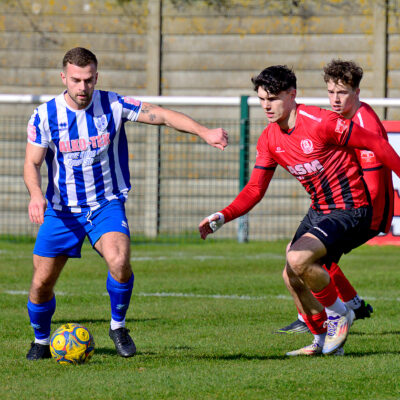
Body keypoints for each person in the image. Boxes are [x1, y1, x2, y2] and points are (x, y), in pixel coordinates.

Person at [24, 47, 228, 360]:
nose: (83, 87)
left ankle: (117, 326)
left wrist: (204, 132)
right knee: (41, 283)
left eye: (88, 79)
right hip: (61, 212)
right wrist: (36, 195)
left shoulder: (113, 104)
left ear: (96, 77)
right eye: (76, 80)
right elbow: (32, 163)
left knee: (119, 262)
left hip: (105, 205)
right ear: (63, 77)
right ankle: (40, 341)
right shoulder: (44, 115)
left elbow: (161, 115)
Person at [199, 65, 400, 356]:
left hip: (350, 207)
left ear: (292, 95)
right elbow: (255, 189)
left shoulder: (321, 122)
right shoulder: (269, 138)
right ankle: (321, 340)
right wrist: (223, 215)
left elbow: (375, 143)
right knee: (291, 274)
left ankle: (340, 313)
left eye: (273, 98)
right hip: (320, 209)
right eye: (262, 99)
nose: (267, 106)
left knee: (298, 257)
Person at [277, 59, 393, 336]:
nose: (335, 99)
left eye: (342, 92)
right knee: (302, 254)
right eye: (331, 92)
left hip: (368, 212)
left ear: (357, 92)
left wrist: (349, 215)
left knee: (305, 257)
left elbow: (373, 187)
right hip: (343, 206)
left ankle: (330, 318)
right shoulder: (338, 119)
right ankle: (350, 306)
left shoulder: (365, 123)